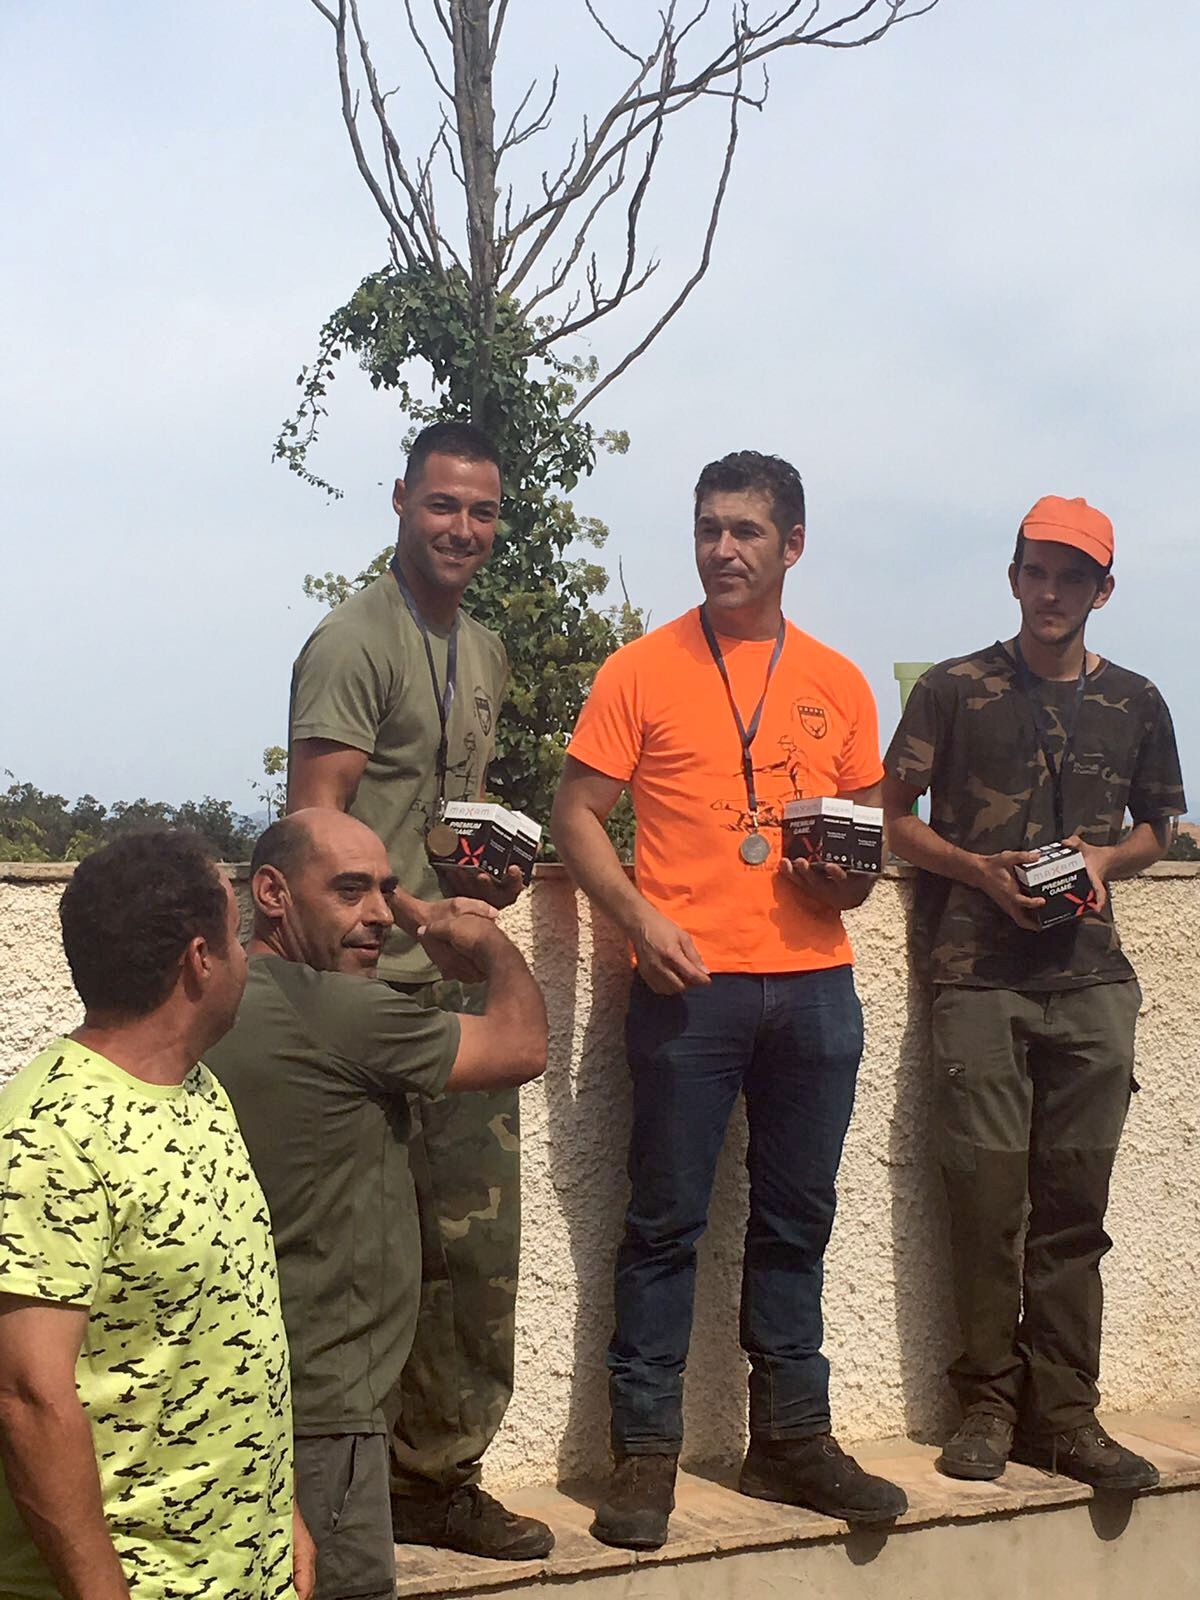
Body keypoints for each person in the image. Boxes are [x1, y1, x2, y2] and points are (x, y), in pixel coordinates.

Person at [551, 450, 908, 1550]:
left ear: (792, 543)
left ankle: (791, 1440)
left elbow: (866, 845)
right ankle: (644, 1452)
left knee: (798, 1221)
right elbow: (575, 812)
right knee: (663, 1223)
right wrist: (636, 918)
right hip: (687, 987)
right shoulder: (640, 669)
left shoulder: (839, 681)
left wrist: (847, 879)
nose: (723, 549)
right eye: (709, 528)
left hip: (815, 988)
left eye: (746, 530)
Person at [285, 420, 551, 1560]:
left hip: (450, 992)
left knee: (475, 1251)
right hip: (361, 995)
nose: (462, 528)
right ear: (400, 500)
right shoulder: (354, 640)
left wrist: (479, 890)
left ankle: (439, 1476)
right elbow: (314, 836)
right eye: (443, 504)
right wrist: (410, 920)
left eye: (482, 511)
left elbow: (443, 823)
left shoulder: (481, 648)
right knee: (363, 1256)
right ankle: (334, 1494)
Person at [882, 495, 1185, 1490]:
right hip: (977, 979)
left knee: (1073, 1211)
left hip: (1091, 983)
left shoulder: (1138, 700)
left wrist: (1105, 859)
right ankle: (986, 1406)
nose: (1052, 592)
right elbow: (892, 818)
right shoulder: (954, 689)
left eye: (1073, 577)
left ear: (1104, 589)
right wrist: (978, 870)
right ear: (1014, 578)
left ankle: (1065, 1417)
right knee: (985, 1203)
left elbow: (1161, 828)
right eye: (1037, 571)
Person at [207, 808, 548, 1600]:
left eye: (388, 892)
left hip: (246, 1384)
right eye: (349, 891)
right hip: (329, 1405)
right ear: (272, 894)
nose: (381, 915)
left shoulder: (224, 1001)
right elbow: (521, 1045)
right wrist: (487, 942)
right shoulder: (336, 1009)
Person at [0, 830, 306, 1600]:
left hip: (243, 1567)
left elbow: (224, 1328)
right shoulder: (49, 1135)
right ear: (199, 959)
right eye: (236, 935)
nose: (245, 958)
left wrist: (281, 1514)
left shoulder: (197, 1090)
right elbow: (28, 1399)